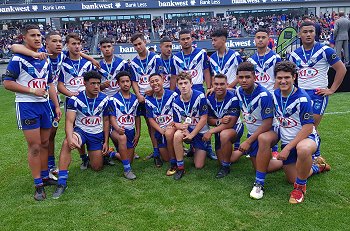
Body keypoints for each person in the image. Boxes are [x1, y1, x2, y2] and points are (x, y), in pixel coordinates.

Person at [3, 24, 61, 201]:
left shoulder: (45, 58)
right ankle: (38, 185)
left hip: (45, 105)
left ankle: (44, 176)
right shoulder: (18, 59)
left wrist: (56, 105)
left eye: (39, 35)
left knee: (44, 143)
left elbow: (50, 83)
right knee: (35, 146)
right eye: (33, 35)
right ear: (24, 38)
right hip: (27, 106)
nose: (37, 38)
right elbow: (7, 83)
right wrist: (31, 91)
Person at [272, 61, 328, 203]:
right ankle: (317, 167)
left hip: (306, 138)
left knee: (302, 149)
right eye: (279, 78)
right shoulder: (274, 95)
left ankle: (299, 189)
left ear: (294, 77)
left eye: (287, 77)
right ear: (275, 79)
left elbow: (308, 127)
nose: (283, 81)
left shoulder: (302, 98)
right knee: (292, 178)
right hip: (287, 142)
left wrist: (288, 148)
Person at [53, 71, 110, 199]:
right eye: (93, 83)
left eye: (98, 83)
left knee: (97, 167)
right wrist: (69, 137)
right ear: (84, 84)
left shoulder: (105, 99)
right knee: (67, 143)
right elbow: (69, 121)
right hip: (82, 131)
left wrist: (106, 141)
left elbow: (106, 121)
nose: (96, 86)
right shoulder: (75, 99)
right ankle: (61, 182)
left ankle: (102, 155)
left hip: (96, 134)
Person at [234, 62, 282, 196]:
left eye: (247, 77)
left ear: (254, 77)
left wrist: (248, 142)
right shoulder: (238, 91)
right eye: (241, 77)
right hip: (253, 133)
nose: (244, 80)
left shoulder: (264, 95)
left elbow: (268, 123)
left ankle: (259, 184)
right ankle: (286, 161)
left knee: (263, 138)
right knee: (262, 167)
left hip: (270, 131)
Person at [289, 21, 346, 131]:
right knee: (301, 128)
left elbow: (341, 69)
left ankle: (314, 148)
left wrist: (332, 89)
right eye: (305, 32)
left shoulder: (325, 50)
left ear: (315, 33)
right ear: (299, 35)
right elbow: (290, 76)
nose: (308, 34)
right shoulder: (294, 55)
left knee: (310, 128)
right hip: (300, 94)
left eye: (311, 31)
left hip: (317, 94)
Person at [173, 29, 216, 160]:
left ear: (192, 39)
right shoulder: (176, 57)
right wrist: (172, 91)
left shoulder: (201, 53)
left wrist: (209, 87)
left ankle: (208, 147)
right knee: (188, 117)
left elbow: (206, 71)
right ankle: (193, 147)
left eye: (188, 38)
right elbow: (174, 76)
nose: (185, 41)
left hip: (198, 88)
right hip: (183, 88)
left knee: (203, 117)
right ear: (179, 41)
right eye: (183, 39)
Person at [58, 33, 95, 170]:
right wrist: (71, 94)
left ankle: (98, 153)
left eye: (79, 43)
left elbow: (93, 82)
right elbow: (60, 85)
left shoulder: (87, 64)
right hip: (72, 102)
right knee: (75, 130)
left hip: (87, 101)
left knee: (90, 125)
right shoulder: (63, 63)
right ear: (67, 45)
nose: (77, 46)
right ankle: (83, 157)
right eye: (73, 43)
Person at [247, 27, 281, 158]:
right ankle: (254, 146)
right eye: (258, 37)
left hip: (270, 95)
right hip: (255, 96)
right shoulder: (251, 60)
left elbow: (278, 76)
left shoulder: (275, 57)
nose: (260, 40)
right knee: (255, 120)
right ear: (254, 40)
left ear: (268, 39)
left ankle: (274, 149)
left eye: (263, 37)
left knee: (272, 121)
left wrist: (275, 93)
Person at [129, 32, 162, 163]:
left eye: (140, 43)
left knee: (160, 122)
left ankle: (165, 147)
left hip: (155, 95)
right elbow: (134, 81)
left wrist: (152, 89)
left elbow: (159, 76)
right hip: (142, 98)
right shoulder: (133, 62)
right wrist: (138, 94)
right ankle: (155, 151)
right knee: (150, 124)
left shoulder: (155, 58)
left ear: (145, 42)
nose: (138, 47)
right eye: (135, 45)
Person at [172, 72, 210, 180]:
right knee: (177, 135)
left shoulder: (200, 96)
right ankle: (180, 167)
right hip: (188, 130)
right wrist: (183, 129)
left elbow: (203, 118)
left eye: (186, 83)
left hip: (200, 131)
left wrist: (192, 134)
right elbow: (177, 123)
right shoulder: (176, 102)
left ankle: (198, 147)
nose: (183, 86)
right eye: (180, 83)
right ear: (177, 86)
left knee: (198, 165)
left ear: (191, 84)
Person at [204, 73, 242, 178]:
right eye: (216, 84)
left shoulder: (233, 98)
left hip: (234, 128)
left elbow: (231, 123)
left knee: (224, 135)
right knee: (224, 159)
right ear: (212, 84)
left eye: (222, 84)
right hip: (219, 128)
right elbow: (209, 120)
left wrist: (211, 131)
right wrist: (219, 120)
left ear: (227, 85)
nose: (219, 87)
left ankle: (225, 167)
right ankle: (243, 151)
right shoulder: (208, 98)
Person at [108, 71, 140, 180]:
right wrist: (117, 128)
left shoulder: (135, 99)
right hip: (117, 131)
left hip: (131, 130)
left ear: (131, 83)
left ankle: (111, 154)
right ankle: (127, 170)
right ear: (118, 83)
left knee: (128, 159)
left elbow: (137, 117)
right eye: (122, 82)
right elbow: (111, 118)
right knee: (122, 138)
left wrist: (138, 133)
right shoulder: (113, 99)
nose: (125, 84)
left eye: (127, 81)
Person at [145, 73, 178, 175]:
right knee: (165, 158)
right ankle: (173, 153)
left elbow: (178, 114)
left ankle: (174, 163)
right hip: (160, 130)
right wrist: (160, 130)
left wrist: (171, 125)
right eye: (152, 81)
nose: (155, 83)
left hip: (172, 127)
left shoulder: (173, 95)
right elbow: (150, 119)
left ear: (163, 80)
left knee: (168, 134)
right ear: (150, 84)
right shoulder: (148, 99)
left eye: (157, 80)